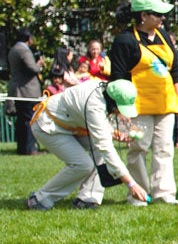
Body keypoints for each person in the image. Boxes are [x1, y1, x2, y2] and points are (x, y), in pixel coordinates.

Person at [109, 0, 178, 206]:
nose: (162, 19)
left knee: (164, 149)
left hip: (165, 103)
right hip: (138, 106)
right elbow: (118, 77)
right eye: (158, 15)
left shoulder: (163, 35)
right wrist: (120, 109)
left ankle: (165, 194)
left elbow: (175, 70)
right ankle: (138, 195)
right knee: (138, 148)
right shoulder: (124, 40)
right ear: (143, 15)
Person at [25, 79, 149, 210]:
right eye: (119, 108)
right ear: (113, 101)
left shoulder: (104, 90)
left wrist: (112, 133)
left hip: (71, 125)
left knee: (97, 151)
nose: (120, 112)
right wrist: (131, 184)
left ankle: (87, 198)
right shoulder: (94, 105)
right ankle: (40, 199)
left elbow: (95, 124)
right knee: (83, 165)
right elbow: (104, 145)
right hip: (48, 126)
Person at [7, 29, 45, 155]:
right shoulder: (23, 50)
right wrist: (39, 64)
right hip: (26, 91)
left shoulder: (13, 49)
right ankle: (29, 148)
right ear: (29, 38)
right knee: (29, 119)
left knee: (22, 119)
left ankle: (22, 147)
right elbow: (32, 68)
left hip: (18, 89)